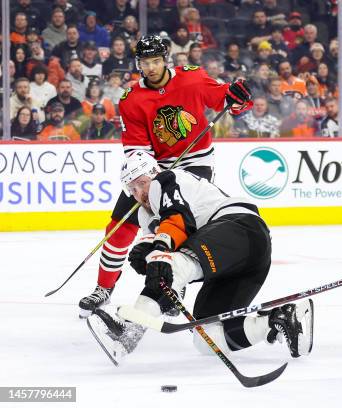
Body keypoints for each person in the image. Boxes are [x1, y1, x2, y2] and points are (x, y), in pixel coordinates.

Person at [77, 35, 253, 318]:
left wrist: (239, 99)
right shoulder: (131, 100)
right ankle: (103, 289)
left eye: (156, 61)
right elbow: (136, 149)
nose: (152, 67)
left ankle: (175, 285)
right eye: (146, 62)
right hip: (152, 167)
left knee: (176, 224)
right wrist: (154, 176)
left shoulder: (192, 79)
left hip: (195, 164)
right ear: (139, 64)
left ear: (166, 60)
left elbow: (227, 102)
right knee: (120, 225)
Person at [86, 152, 314, 364]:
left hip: (240, 228)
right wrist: (145, 255)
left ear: (153, 173)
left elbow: (176, 221)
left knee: (168, 264)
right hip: (244, 259)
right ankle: (279, 320)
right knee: (207, 338)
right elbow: (160, 253)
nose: (139, 192)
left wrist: (159, 253)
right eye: (132, 188)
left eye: (141, 183)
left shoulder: (164, 180)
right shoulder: (145, 214)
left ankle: (129, 333)